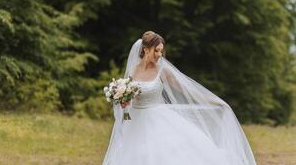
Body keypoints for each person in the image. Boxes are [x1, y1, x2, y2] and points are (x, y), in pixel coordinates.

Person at [102, 31, 257, 165]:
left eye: (161, 51)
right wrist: (123, 99)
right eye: (156, 51)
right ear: (145, 49)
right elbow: (129, 97)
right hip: (134, 122)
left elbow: (187, 91)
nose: (159, 55)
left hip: (157, 120)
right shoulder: (133, 71)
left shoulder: (162, 71)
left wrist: (216, 102)